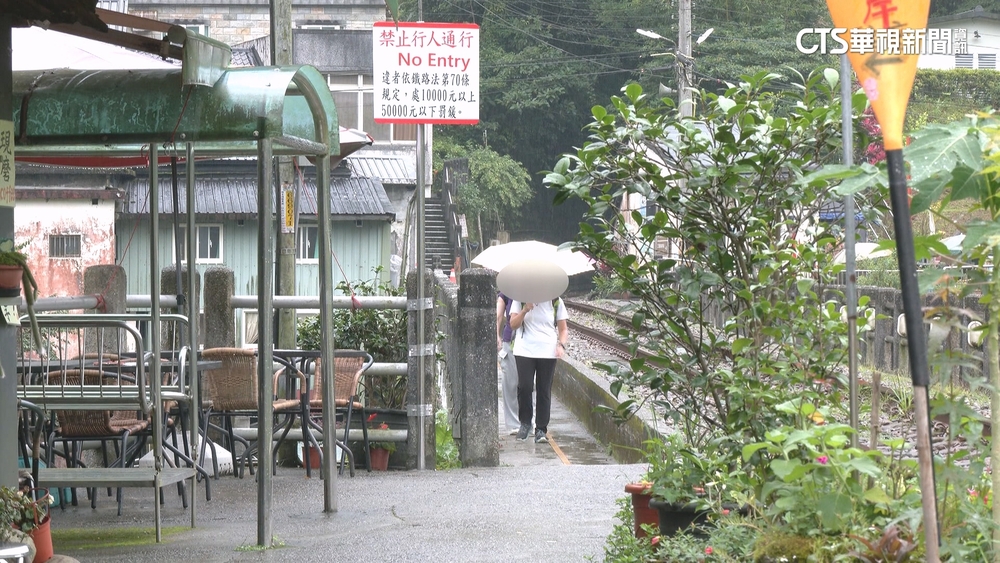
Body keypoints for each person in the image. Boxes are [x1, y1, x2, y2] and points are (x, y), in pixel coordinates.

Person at [508, 296, 569, 443]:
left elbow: (563, 328)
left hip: (547, 351)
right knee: (525, 387)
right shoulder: (520, 299)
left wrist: (561, 345)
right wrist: (524, 310)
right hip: (524, 349)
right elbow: (513, 325)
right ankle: (525, 423)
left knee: (544, 389)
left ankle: (541, 429)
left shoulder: (555, 301)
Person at [496, 292, 520, 435]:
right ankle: (527, 422)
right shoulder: (507, 289)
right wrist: (497, 334)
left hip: (519, 338)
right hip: (511, 338)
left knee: (512, 383)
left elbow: (498, 314)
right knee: (514, 382)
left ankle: (516, 424)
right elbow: (498, 314)